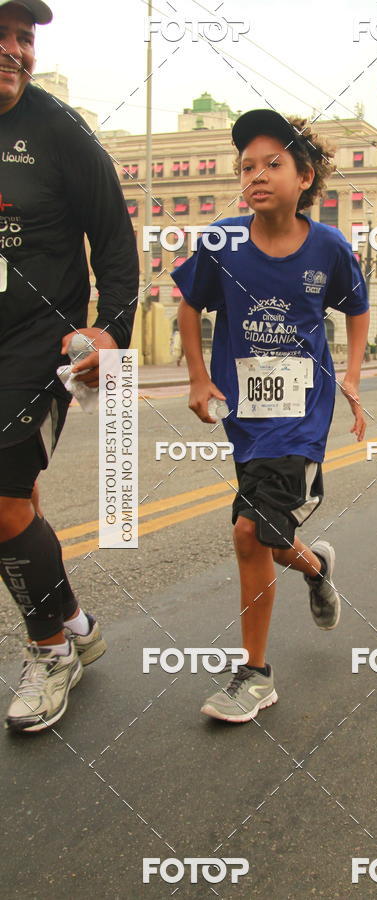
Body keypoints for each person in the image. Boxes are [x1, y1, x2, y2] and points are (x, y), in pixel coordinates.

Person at [172, 109, 369, 723]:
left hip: (302, 414)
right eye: (246, 166)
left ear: (304, 175)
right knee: (266, 535)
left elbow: (357, 309)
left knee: (248, 532)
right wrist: (200, 376)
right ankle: (316, 566)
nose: (256, 175)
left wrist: (354, 376)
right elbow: (187, 304)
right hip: (245, 415)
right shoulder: (222, 242)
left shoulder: (329, 246)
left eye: (272, 164)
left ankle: (255, 674)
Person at [0, 0, 139, 732]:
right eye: (2, 33)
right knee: (13, 501)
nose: (15, 50)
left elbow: (115, 240)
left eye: (23, 38)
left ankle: (50, 652)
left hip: (40, 340)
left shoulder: (58, 131)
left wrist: (109, 331)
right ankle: (76, 623)